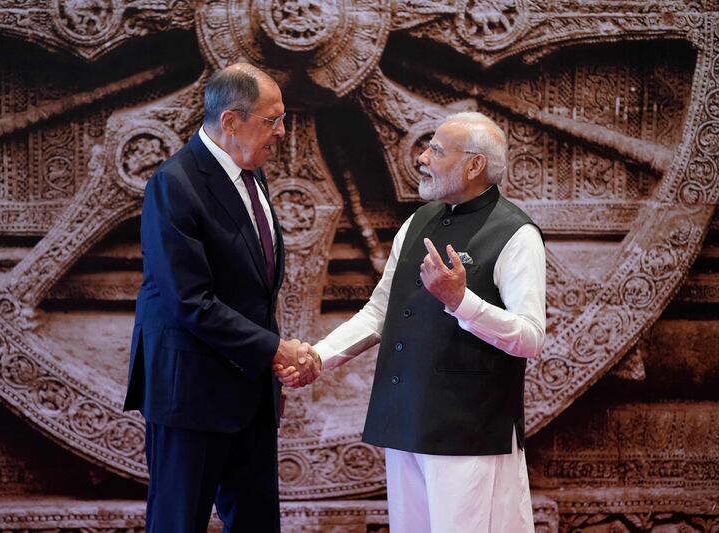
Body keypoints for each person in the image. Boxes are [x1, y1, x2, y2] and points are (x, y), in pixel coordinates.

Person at [278, 111, 546, 532]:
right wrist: (319, 356)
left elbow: (530, 337)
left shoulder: (516, 234)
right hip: (406, 421)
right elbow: (379, 311)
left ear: (474, 165)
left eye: (436, 150)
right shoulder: (417, 222)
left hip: (469, 432)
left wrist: (462, 301)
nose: (422, 158)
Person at [123, 63, 321, 533]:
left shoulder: (251, 172)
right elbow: (189, 300)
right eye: (272, 120)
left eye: (283, 119)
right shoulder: (175, 183)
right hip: (190, 394)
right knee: (178, 524)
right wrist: (274, 349)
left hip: (250, 392)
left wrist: (271, 356)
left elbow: (252, 287)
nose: (282, 132)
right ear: (231, 121)